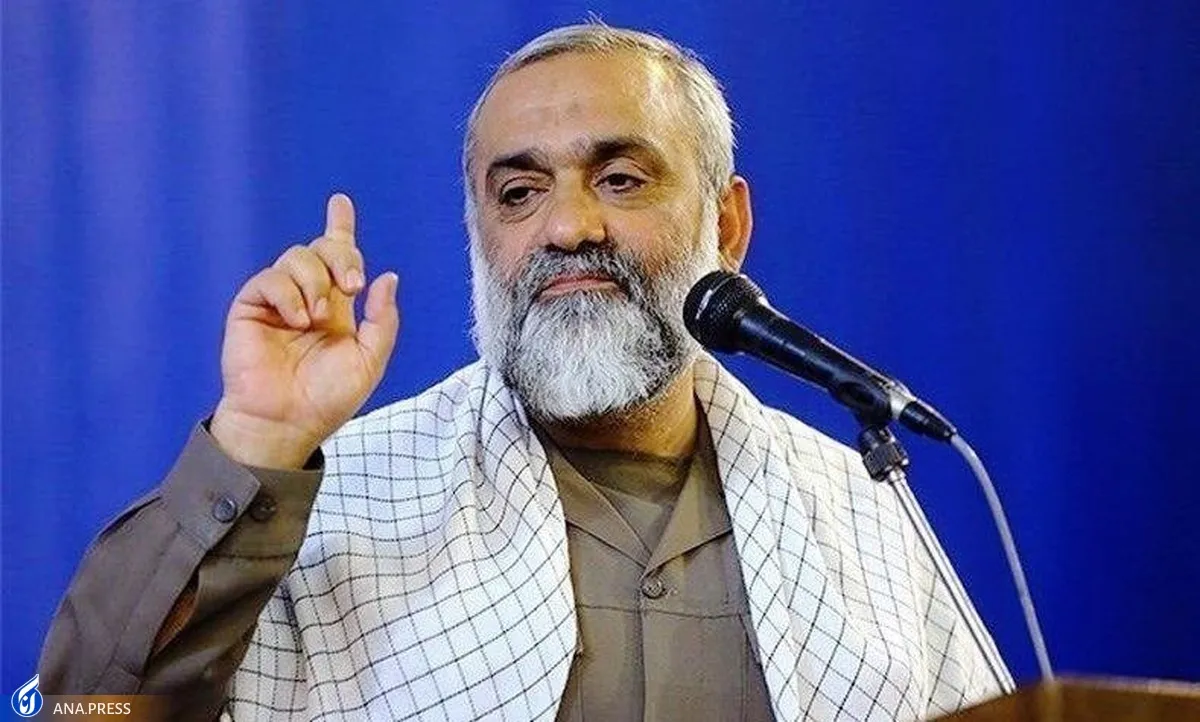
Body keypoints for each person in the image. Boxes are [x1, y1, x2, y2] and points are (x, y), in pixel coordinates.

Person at [38, 23, 1012, 722]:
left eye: (620, 179)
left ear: (727, 225)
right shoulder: (339, 493)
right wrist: (255, 438)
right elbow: (84, 708)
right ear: (481, 237)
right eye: (518, 191)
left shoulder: (855, 508)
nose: (568, 226)